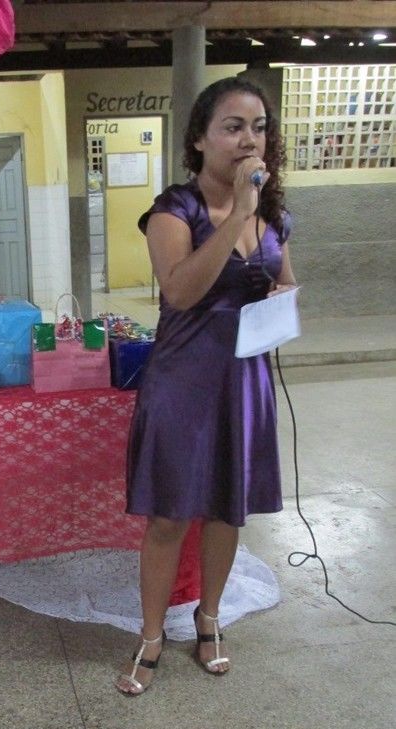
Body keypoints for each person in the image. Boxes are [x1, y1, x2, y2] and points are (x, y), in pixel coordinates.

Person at [116, 76, 297, 696]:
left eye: (259, 128)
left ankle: (209, 617)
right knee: (169, 514)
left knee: (227, 510)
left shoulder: (274, 214)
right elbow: (182, 291)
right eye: (233, 127)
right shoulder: (175, 210)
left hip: (245, 381)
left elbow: (284, 278)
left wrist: (283, 296)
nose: (250, 141)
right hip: (183, 381)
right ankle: (149, 633)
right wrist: (237, 217)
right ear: (199, 140)